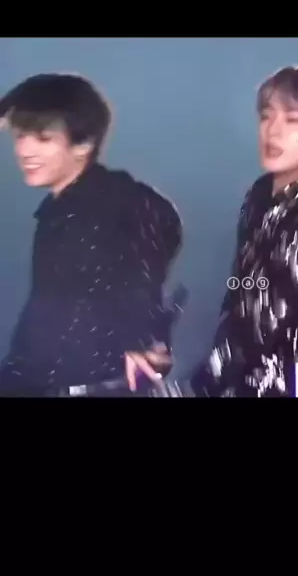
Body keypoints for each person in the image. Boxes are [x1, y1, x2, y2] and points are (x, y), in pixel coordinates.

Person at [0, 73, 182, 396]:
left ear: (83, 144)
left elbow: (156, 225)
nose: (24, 150)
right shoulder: (58, 210)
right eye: (21, 136)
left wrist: (142, 334)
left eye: (43, 138)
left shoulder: (117, 200)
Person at [183, 64, 298, 397]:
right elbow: (244, 293)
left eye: (293, 120)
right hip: (244, 374)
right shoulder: (260, 195)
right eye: (266, 116)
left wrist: (206, 380)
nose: (272, 131)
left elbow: (288, 316)